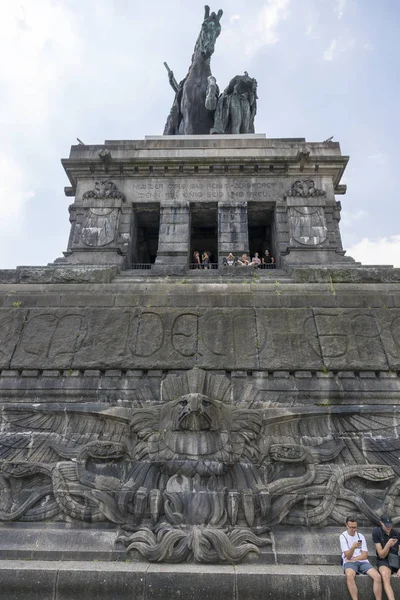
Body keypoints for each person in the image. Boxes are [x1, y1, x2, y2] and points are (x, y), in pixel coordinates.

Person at [340, 515, 382, 600]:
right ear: (346, 526)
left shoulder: (360, 536)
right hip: (349, 562)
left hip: (362, 561)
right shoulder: (343, 536)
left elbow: (365, 555)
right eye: (351, 527)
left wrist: (353, 559)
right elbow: (348, 555)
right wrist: (353, 547)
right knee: (349, 575)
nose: (353, 529)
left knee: (377, 576)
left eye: (355, 527)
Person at [372, 515, 400, 600]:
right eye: (386, 525)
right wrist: (387, 545)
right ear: (381, 523)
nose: (389, 527)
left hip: (396, 560)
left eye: (390, 525)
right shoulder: (376, 532)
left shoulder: (396, 534)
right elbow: (381, 555)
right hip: (384, 560)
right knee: (385, 575)